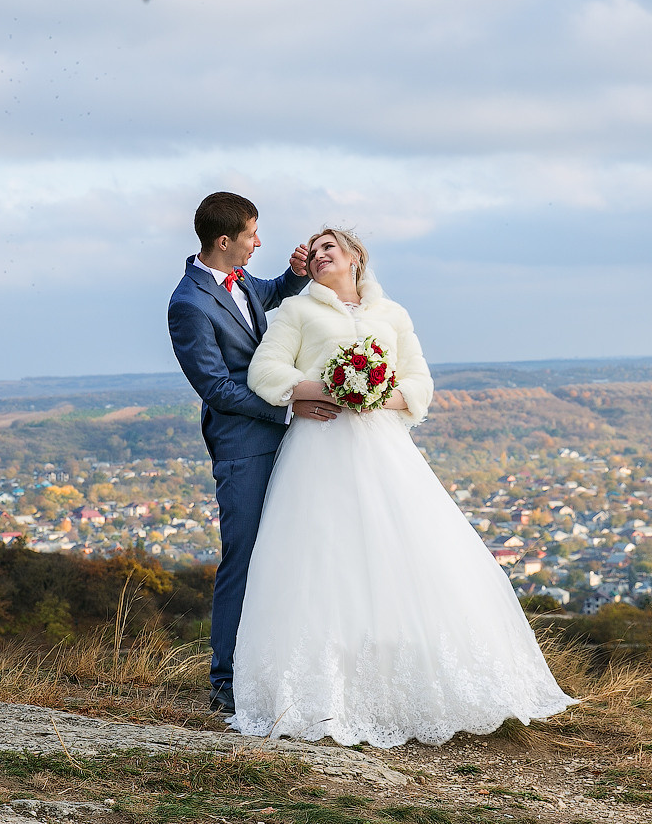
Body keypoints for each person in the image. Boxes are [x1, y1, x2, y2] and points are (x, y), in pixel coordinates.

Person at [233, 226, 574, 747]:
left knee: (406, 553)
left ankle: (408, 685)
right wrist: (328, 389)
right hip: (318, 447)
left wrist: (374, 395)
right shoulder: (297, 312)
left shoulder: (392, 316)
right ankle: (322, 694)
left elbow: (419, 382)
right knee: (324, 559)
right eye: (315, 249)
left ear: (355, 258)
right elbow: (265, 371)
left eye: (331, 247)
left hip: (383, 446)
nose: (321, 255)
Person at [166, 192, 321, 715]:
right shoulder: (187, 304)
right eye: (253, 235)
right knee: (245, 558)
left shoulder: (242, 280)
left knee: (288, 555)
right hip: (242, 445)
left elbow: (273, 292)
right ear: (225, 240)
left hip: (286, 437)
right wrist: (289, 404)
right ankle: (225, 683)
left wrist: (295, 274)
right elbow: (216, 388)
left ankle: (281, 671)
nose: (259, 243)